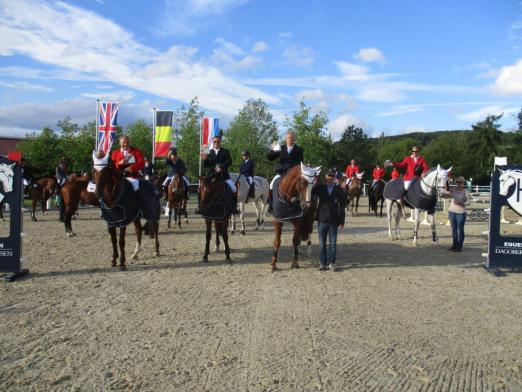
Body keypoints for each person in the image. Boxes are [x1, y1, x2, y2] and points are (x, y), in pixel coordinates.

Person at [313, 168, 346, 271]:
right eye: (328, 175)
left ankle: (331, 263)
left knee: (333, 244)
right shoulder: (320, 188)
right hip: (322, 219)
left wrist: (342, 221)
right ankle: (322, 263)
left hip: (334, 221)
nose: (330, 177)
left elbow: (342, 206)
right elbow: (310, 190)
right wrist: (313, 177)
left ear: (334, 177)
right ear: (325, 176)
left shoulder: (339, 189)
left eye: (332, 175)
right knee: (322, 244)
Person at [266, 130, 304, 210]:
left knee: (303, 185)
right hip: (282, 172)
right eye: (288, 137)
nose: (290, 139)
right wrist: (272, 150)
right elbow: (270, 158)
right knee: (271, 185)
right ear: (286, 139)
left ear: (294, 138)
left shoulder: (299, 149)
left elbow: (301, 163)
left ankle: (302, 204)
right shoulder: (281, 148)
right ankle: (271, 204)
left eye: (292, 137)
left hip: (294, 174)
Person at [200, 133, 238, 213]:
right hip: (211, 177)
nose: (216, 143)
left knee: (234, 189)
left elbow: (229, 161)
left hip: (223, 176)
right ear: (212, 143)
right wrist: (205, 159)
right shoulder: (209, 152)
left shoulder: (225, 151)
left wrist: (221, 167)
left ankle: (234, 208)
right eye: (214, 142)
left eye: (218, 141)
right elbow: (205, 166)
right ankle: (201, 206)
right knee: (201, 189)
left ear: (220, 142)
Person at [441, 176, 471, 252]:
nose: (458, 184)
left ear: (463, 183)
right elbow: (446, 195)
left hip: (461, 213)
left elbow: (468, 202)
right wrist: (443, 193)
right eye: (457, 182)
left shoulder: (465, 191)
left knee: (460, 230)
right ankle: (454, 245)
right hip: (451, 211)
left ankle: (459, 246)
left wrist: (461, 203)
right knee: (454, 230)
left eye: (460, 182)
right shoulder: (453, 189)